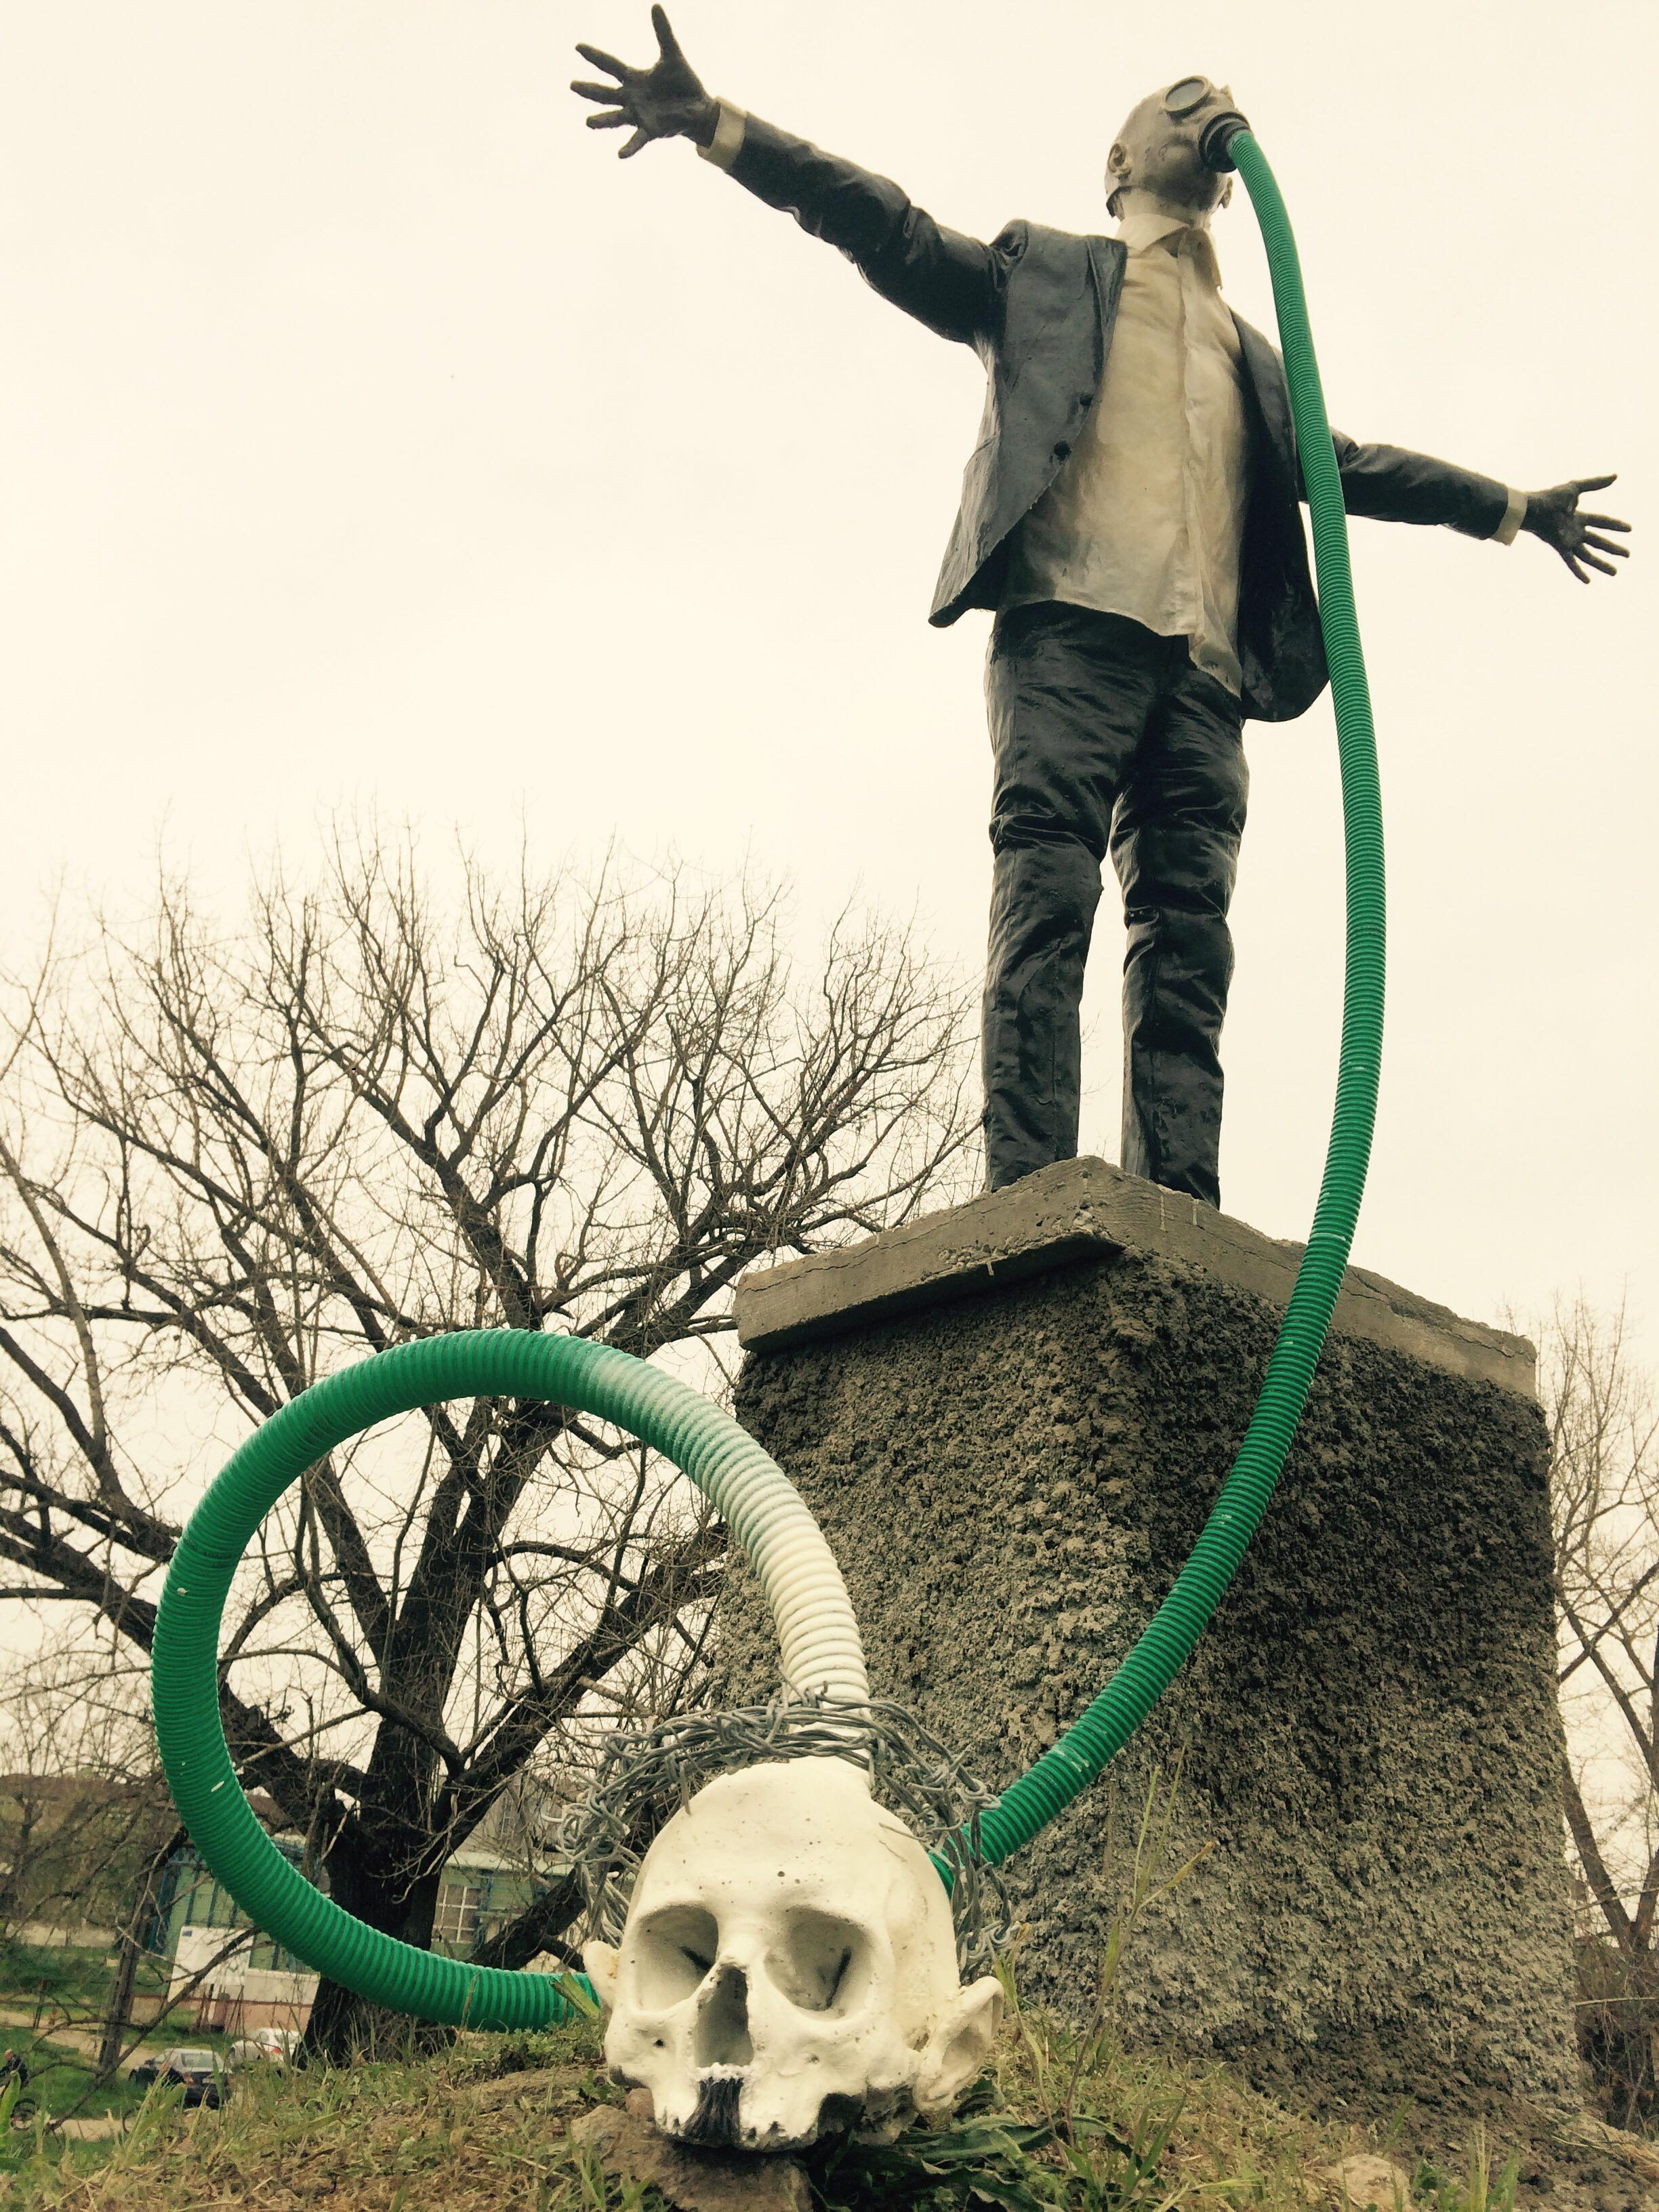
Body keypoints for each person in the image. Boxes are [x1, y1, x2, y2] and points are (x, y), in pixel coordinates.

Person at [573, 12, 1631, 1208]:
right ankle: (1028, 1198)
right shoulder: (1047, 274)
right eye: (1176, 100)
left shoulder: (1255, 354)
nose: (1204, 102)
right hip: (1070, 632)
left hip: (1206, 678)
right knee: (1048, 896)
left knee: (1190, 945)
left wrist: (1513, 509)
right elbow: (888, 227)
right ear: (1120, 161)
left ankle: (1179, 1211)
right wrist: (722, 128)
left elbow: (1351, 468)